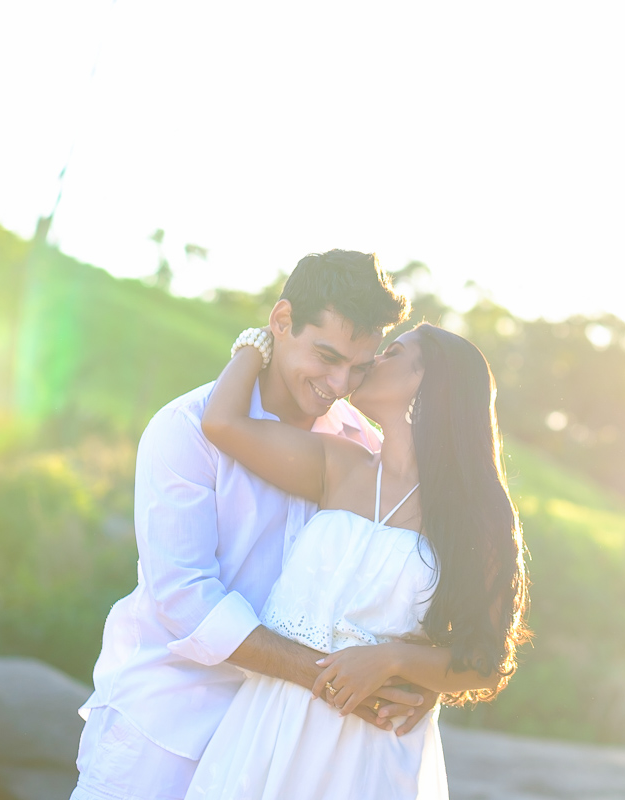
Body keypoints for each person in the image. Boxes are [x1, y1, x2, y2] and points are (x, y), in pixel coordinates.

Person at [73, 250, 432, 800]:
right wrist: (332, 677)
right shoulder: (186, 429)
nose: (340, 383)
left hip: (287, 746)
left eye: (359, 366)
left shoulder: (365, 448)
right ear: (282, 321)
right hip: (166, 728)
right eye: (327, 355)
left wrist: (408, 678)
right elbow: (185, 597)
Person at [185, 321, 528, 798]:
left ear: (426, 382)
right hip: (270, 721)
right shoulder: (337, 463)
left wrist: (391, 659)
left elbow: (485, 661)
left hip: (370, 749)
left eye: (392, 353)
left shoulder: (481, 517)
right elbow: (221, 424)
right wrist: (262, 339)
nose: (371, 362)